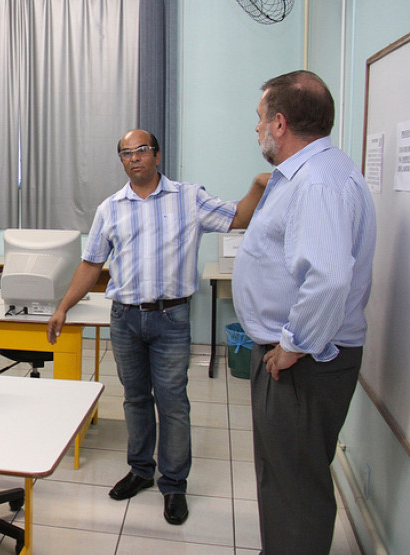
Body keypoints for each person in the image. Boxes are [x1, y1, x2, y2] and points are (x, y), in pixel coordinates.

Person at [47, 128, 267, 525]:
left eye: (142, 150)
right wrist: (64, 306)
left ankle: (174, 484)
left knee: (172, 402)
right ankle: (140, 470)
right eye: (126, 153)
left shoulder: (188, 197)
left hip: (170, 317)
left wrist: (255, 184)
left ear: (157, 156)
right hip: (126, 318)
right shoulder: (110, 208)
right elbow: (91, 263)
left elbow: (238, 217)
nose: (135, 158)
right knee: (134, 399)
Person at [232, 70, 376, 554]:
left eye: (258, 119)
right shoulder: (314, 173)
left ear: (279, 122)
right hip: (296, 354)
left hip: (303, 361)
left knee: (294, 486)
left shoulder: (316, 183)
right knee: (284, 477)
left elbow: (329, 278)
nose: (255, 130)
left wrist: (292, 345)